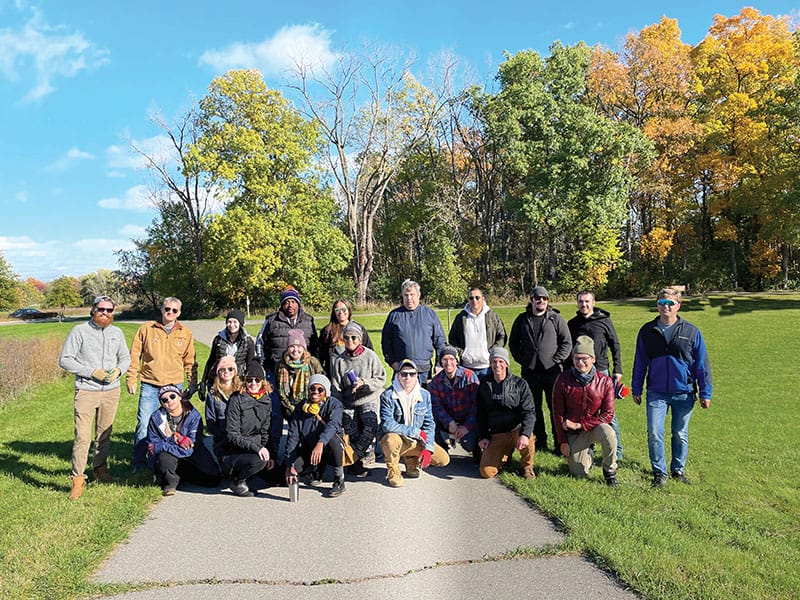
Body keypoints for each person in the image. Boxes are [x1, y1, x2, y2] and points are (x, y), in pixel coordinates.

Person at [632, 288, 712, 488]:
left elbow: (702, 365)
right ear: (657, 305)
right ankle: (659, 473)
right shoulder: (647, 331)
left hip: (683, 392)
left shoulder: (691, 332)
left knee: (680, 433)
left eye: (670, 303)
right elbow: (640, 362)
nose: (666, 307)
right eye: (662, 303)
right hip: (656, 392)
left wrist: (705, 392)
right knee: (654, 432)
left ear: (678, 306)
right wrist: (636, 388)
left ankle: (678, 470)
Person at [59, 295, 131, 500]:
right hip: (86, 390)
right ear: (93, 310)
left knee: (104, 434)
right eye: (101, 309)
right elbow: (65, 360)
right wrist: (91, 372)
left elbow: (125, 358)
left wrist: (118, 371)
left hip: (111, 391)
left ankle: (100, 470)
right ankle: (78, 479)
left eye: (109, 310)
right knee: (83, 437)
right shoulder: (79, 331)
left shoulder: (117, 333)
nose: (105, 313)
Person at [126, 297, 197, 473]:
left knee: (175, 425)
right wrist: (131, 378)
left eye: (174, 310)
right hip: (151, 384)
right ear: (161, 309)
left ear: (179, 313)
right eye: (167, 309)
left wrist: (192, 382)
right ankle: (140, 462)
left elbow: (190, 361)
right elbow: (134, 356)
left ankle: (171, 459)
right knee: (144, 423)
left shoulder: (185, 333)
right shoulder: (146, 329)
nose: (170, 313)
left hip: (174, 386)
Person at [509, 286, 572, 453]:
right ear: (532, 300)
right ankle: (539, 440)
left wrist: (556, 360)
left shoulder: (555, 318)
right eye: (537, 298)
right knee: (533, 408)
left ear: (547, 301)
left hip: (552, 372)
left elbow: (567, 342)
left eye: (544, 298)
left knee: (555, 408)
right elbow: (513, 343)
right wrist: (523, 360)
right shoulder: (522, 319)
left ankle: (559, 443)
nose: (541, 301)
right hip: (530, 372)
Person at [553, 336, 618, 486]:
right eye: (577, 358)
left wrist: (580, 425)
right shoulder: (563, 379)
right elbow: (557, 413)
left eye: (584, 358)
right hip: (573, 433)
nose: (580, 362)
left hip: (594, 427)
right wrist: (563, 441)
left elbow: (608, 414)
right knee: (578, 473)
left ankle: (610, 471)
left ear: (593, 359)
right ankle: (588, 455)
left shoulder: (605, 381)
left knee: (609, 433)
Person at [567, 290, 624, 459]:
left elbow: (615, 345)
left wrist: (618, 369)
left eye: (587, 301)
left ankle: (616, 452)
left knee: (609, 413)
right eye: (581, 301)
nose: (584, 305)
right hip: (580, 373)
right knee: (584, 411)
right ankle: (587, 448)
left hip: (601, 371)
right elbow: (569, 349)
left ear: (593, 302)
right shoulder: (573, 324)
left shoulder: (604, 321)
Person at [379, 359, 450, 487]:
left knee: (443, 459)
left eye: (412, 374)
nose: (408, 377)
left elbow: (429, 423)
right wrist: (415, 432)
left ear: (417, 375)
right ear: (398, 375)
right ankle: (393, 471)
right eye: (404, 374)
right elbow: (387, 424)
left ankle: (411, 460)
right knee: (391, 440)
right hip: (398, 439)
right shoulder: (387, 395)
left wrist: (428, 448)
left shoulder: (425, 395)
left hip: (416, 440)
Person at [329, 322, 385, 476]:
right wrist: (337, 408)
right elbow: (336, 388)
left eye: (354, 337)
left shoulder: (370, 356)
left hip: (369, 398)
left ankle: (354, 457)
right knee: (350, 429)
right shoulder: (339, 361)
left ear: (360, 339)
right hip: (349, 401)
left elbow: (381, 378)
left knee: (370, 426)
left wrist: (364, 383)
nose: (350, 341)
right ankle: (357, 459)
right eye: (346, 338)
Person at [147, 385, 220, 496]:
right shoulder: (155, 418)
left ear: (180, 397)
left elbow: (190, 448)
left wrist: (165, 444)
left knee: (213, 479)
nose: (169, 401)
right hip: (169, 455)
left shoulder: (194, 416)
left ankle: (181, 474)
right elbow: (152, 447)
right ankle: (169, 484)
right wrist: (174, 439)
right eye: (164, 400)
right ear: (161, 403)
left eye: (172, 396)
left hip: (193, 453)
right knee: (163, 457)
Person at [218, 361, 278, 497]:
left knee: (278, 477)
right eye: (249, 380)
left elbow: (265, 431)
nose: (253, 383)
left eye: (257, 380)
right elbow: (232, 435)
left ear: (263, 382)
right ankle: (236, 480)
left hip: (255, 448)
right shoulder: (236, 399)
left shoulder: (266, 400)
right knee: (259, 461)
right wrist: (258, 449)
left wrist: (271, 454)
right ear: (245, 381)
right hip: (234, 451)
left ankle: (252, 475)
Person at [476, 347, 536, 479]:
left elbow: (529, 412)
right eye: (494, 361)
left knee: (529, 438)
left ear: (507, 364)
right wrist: (484, 436)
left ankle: (527, 466)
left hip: (516, 430)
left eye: (501, 361)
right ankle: (505, 455)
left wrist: (524, 434)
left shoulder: (520, 384)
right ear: (490, 364)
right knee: (486, 473)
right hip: (497, 434)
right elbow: (481, 413)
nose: (497, 365)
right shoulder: (484, 384)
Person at [285, 374, 346, 498]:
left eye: (320, 389)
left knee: (333, 439)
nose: (315, 392)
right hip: (310, 449)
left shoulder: (335, 404)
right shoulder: (300, 408)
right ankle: (316, 470)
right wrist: (289, 464)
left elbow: (333, 425)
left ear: (326, 392)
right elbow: (293, 436)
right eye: (312, 388)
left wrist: (321, 443)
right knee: (290, 471)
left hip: (329, 448)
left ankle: (339, 479)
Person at [381, 279, 446, 386]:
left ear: (418, 295)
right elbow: (386, 342)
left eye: (412, 295)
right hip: (402, 370)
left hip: (424, 371)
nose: (409, 298)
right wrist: (392, 362)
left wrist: (439, 364)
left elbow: (440, 342)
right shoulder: (394, 316)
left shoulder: (430, 314)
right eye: (406, 295)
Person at [427, 345, 479, 457]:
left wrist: (466, 427)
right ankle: (442, 449)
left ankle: (477, 450)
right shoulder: (436, 381)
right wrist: (449, 422)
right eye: (445, 359)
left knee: (469, 444)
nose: (448, 363)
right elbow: (436, 406)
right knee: (431, 419)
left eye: (451, 359)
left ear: (457, 361)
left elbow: (476, 404)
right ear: (441, 361)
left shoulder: (469, 376)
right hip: (449, 419)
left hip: (467, 419)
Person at [256, 286, 318, 374]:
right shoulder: (271, 320)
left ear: (298, 304)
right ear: (282, 305)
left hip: (304, 371)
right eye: (286, 302)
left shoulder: (308, 321)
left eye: (293, 302)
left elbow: (315, 346)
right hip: (276, 369)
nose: (290, 305)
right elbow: (260, 342)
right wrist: (263, 365)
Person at [448, 286, 507, 379]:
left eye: (477, 297)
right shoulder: (461, 317)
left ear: (483, 299)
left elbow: (502, 336)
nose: (474, 300)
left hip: (487, 367)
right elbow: (452, 338)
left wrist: (491, 352)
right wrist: (462, 353)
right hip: (466, 367)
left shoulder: (492, 316)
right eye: (471, 298)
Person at [199, 310, 255, 399]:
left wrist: (251, 384)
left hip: (238, 381)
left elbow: (250, 365)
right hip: (219, 380)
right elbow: (210, 361)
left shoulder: (248, 342)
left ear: (240, 324)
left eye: (235, 322)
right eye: (229, 322)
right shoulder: (218, 340)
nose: (232, 325)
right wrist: (203, 382)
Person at [276, 329, 324, 421]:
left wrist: (315, 404)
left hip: (311, 406)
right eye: (292, 346)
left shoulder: (312, 362)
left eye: (299, 346)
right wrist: (291, 409)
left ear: (304, 348)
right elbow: (280, 391)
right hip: (290, 408)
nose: (295, 350)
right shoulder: (281, 365)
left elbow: (321, 384)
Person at [318, 298, 373, 377]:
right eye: (337, 310)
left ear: (349, 310)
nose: (341, 312)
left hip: (356, 373)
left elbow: (369, 351)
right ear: (334, 312)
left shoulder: (359, 329)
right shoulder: (327, 331)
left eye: (344, 309)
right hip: (334, 375)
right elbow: (321, 355)